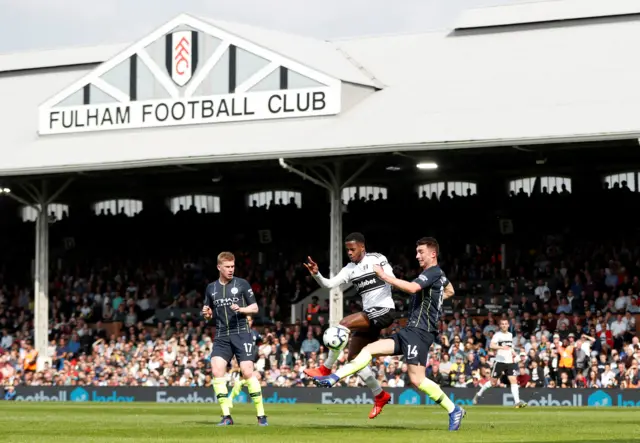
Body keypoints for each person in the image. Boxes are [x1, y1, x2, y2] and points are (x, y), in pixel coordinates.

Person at [312, 237, 466, 431]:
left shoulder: (433, 272)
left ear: (433, 253)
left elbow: (412, 288)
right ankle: (333, 378)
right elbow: (449, 290)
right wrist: (435, 300)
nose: (417, 255)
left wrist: (383, 276)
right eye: (417, 252)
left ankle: (454, 410)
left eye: (421, 252)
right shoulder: (438, 275)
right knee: (368, 350)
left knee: (417, 380)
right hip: (410, 330)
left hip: (421, 331)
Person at [303, 232, 395, 419]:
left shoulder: (377, 259)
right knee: (354, 359)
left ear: (362, 247)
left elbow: (391, 278)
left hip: (384, 310)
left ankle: (326, 368)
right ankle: (380, 395)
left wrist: (383, 275)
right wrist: (316, 274)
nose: (350, 253)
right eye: (347, 250)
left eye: (353, 249)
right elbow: (329, 285)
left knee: (342, 324)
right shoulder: (349, 269)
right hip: (370, 315)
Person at [202, 252, 267, 426]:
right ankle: (226, 416)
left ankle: (261, 416)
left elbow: (254, 307)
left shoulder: (242, 284)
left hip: (241, 332)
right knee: (216, 371)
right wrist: (206, 314)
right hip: (222, 334)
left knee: (247, 372)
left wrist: (242, 309)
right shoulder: (211, 288)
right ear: (219, 267)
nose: (231, 270)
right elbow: (207, 312)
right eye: (227, 267)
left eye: (233, 266)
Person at [472, 318, 527, 408]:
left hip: (509, 362)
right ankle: (478, 394)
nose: (504, 325)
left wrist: (514, 354)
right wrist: (501, 347)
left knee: (513, 380)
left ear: (508, 325)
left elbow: (510, 347)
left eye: (506, 324)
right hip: (500, 362)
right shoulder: (497, 335)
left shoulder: (510, 335)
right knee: (493, 383)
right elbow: (491, 345)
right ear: (500, 326)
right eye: (503, 324)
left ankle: (517, 402)